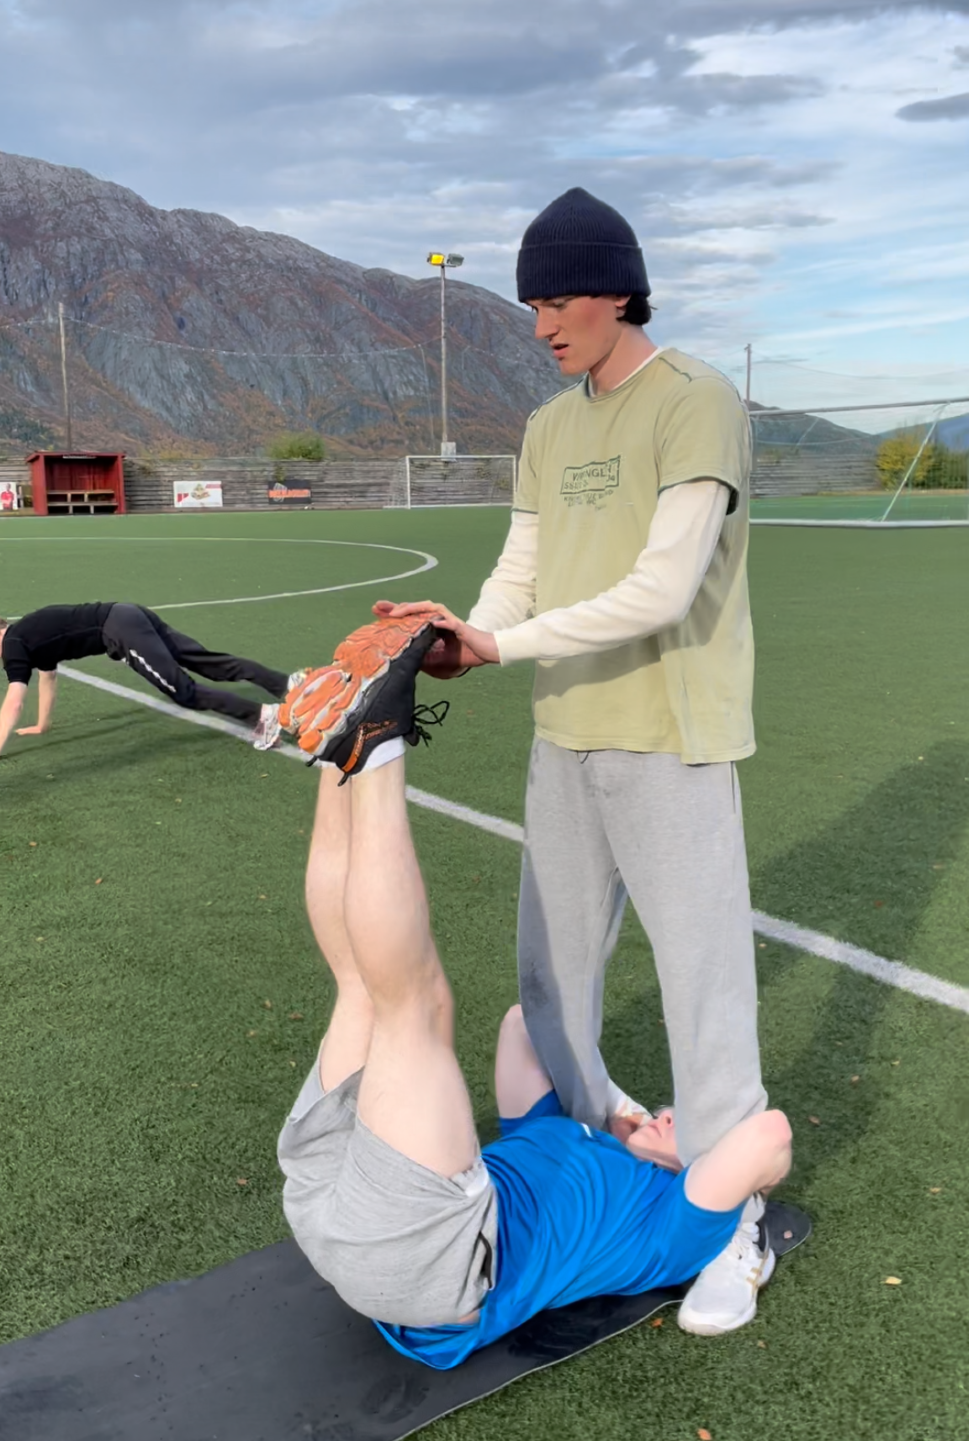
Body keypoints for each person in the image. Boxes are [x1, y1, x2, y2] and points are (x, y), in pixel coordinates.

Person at [374, 186, 769, 1334]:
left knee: (702, 987)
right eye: (532, 305)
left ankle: (733, 1222)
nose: (543, 324)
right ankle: (596, 1148)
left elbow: (663, 588)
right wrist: (463, 630)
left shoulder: (695, 401)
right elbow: (523, 566)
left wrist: (503, 643)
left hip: (672, 735)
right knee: (549, 978)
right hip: (567, 736)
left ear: (618, 292)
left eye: (559, 300)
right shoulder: (551, 427)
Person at [276, 620, 792, 1367]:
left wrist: (731, 1185)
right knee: (361, 988)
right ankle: (341, 757)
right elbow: (525, 1027)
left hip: (428, 1268)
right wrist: (607, 1108)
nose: (669, 1111)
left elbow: (764, 1136)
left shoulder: (678, 1228)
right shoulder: (564, 1136)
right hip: (342, 1198)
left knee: (411, 1010)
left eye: (680, 1123)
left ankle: (376, 742)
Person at [0, 602, 301, 760]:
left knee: (184, 692)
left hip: (119, 630)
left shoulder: (13, 646)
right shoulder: (26, 634)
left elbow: (14, 701)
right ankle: (289, 684)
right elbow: (48, 676)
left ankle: (265, 717)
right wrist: (42, 725)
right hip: (127, 612)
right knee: (206, 662)